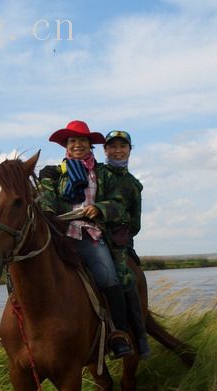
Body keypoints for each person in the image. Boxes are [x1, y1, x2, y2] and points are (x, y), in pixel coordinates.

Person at [38, 120, 134, 359]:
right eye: (73, 141)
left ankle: (118, 333)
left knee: (109, 277)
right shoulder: (52, 173)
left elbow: (119, 204)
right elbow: (46, 200)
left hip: (90, 234)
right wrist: (50, 212)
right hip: (61, 235)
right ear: (66, 146)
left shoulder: (104, 173)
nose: (77, 145)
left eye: (82, 140)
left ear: (90, 145)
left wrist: (100, 208)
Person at [103, 130, 151, 358]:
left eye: (123, 146)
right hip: (88, 234)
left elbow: (136, 222)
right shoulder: (97, 173)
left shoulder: (133, 185)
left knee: (124, 276)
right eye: (112, 146)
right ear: (105, 150)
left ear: (130, 151)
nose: (118, 151)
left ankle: (138, 334)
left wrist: (121, 232)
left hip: (117, 241)